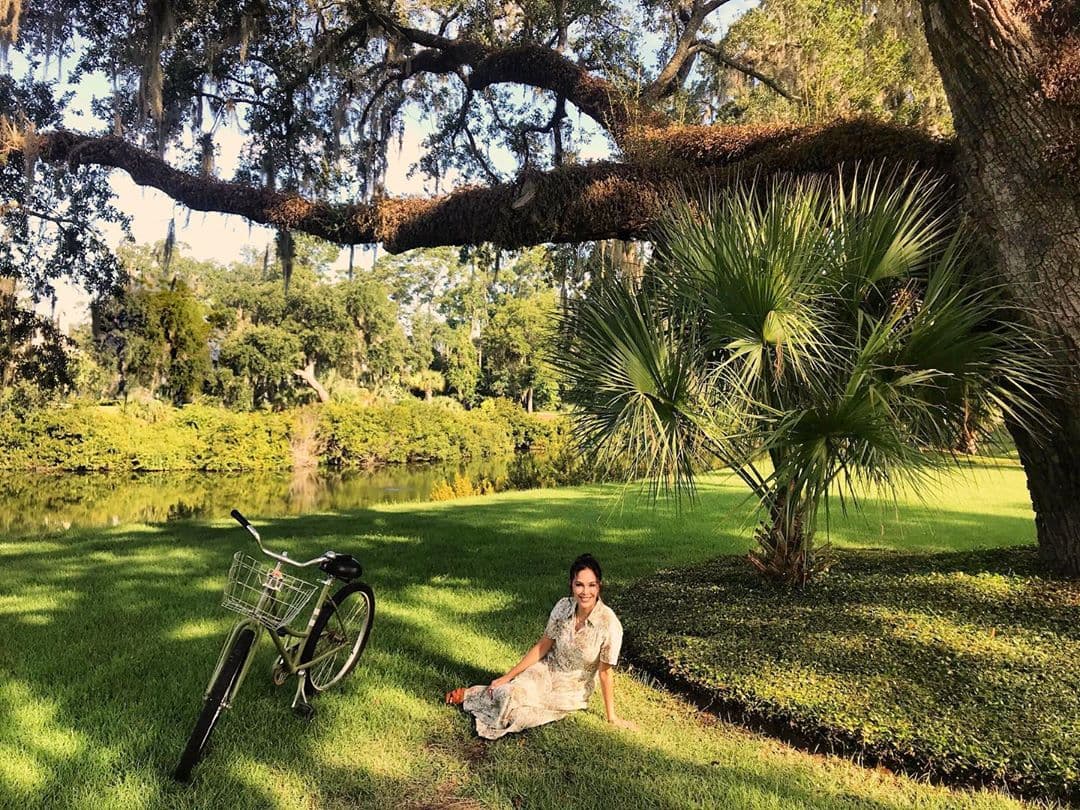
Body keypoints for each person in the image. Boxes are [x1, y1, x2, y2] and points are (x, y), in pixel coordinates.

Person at [445, 553, 637, 739]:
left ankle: (476, 700)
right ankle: (472, 695)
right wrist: (508, 676)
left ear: (599, 586)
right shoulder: (563, 606)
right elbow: (543, 645)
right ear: (571, 585)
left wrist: (612, 717)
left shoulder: (609, 624)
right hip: (546, 670)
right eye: (579, 585)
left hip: (570, 689)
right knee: (510, 693)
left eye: (591, 585)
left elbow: (605, 673)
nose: (585, 592)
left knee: (519, 716)